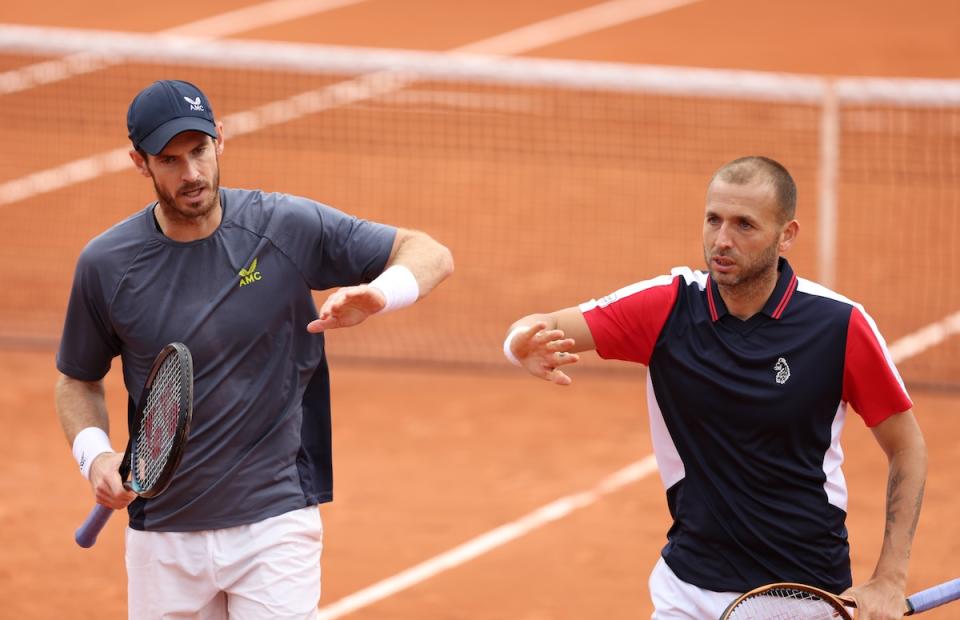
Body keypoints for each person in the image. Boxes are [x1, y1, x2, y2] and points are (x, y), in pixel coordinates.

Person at [55, 79, 453, 619]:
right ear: (139, 162)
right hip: (164, 536)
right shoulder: (106, 264)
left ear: (221, 139)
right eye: (169, 160)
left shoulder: (284, 226)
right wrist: (95, 455)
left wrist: (381, 294)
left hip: (275, 521)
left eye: (198, 151)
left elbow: (428, 252)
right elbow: (77, 378)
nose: (191, 174)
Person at [503, 156, 927, 619]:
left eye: (745, 224)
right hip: (686, 589)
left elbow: (906, 446)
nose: (722, 240)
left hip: (799, 595)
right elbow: (546, 325)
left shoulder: (838, 326)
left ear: (787, 235)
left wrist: (890, 578)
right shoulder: (667, 308)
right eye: (713, 220)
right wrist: (520, 342)